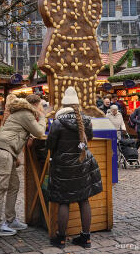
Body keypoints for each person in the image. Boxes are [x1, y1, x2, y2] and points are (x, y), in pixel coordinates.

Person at [47, 87, 102, 249]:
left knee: (64, 201)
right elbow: (89, 138)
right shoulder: (85, 120)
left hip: (63, 167)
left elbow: (50, 144)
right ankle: (86, 239)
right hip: (82, 164)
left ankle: (61, 239)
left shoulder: (57, 122)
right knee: (83, 200)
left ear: (63, 105)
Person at [0, 94, 47, 236]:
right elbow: (40, 131)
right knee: (0, 188)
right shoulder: (26, 113)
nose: (42, 108)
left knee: (14, 185)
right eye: (40, 105)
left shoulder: (22, 114)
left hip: (5, 151)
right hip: (4, 152)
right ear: (35, 105)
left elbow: (22, 132)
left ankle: (10, 219)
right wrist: (43, 117)